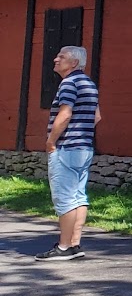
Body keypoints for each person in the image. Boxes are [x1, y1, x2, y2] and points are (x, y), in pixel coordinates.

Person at [37, 45, 100, 261]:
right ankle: (74, 244)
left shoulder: (69, 83)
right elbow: (96, 117)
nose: (55, 59)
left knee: (64, 198)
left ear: (73, 63)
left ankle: (63, 247)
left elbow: (64, 115)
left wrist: (51, 141)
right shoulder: (88, 84)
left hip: (66, 148)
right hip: (84, 147)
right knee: (78, 196)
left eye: (61, 57)